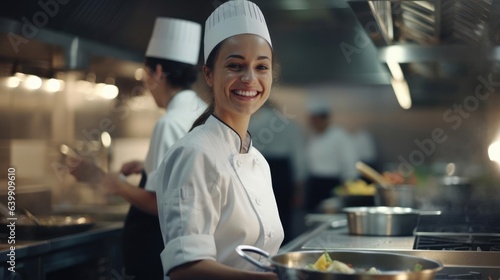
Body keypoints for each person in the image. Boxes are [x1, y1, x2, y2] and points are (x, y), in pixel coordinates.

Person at [149, 1, 283, 279]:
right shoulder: (194, 153)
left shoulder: (258, 161)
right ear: (208, 75)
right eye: (235, 65)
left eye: (261, 67)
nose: (250, 78)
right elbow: (185, 269)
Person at [70, 17, 206, 280]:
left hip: (156, 249)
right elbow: (188, 175)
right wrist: (148, 166)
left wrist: (111, 182)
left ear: (156, 72)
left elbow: (160, 204)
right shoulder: (199, 111)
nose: (145, 82)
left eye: (145, 74)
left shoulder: (169, 123)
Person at [248, 101, 306, 244]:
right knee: (284, 216)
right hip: (283, 173)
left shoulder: (252, 124)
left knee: (259, 215)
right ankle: (283, 249)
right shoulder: (290, 125)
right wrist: (299, 189)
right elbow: (299, 159)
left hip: (257, 170)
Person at [304, 98, 359, 212]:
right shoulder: (312, 136)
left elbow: (350, 163)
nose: (312, 123)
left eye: (315, 119)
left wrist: (348, 187)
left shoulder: (340, 136)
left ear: (324, 119)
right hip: (314, 184)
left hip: (332, 185)